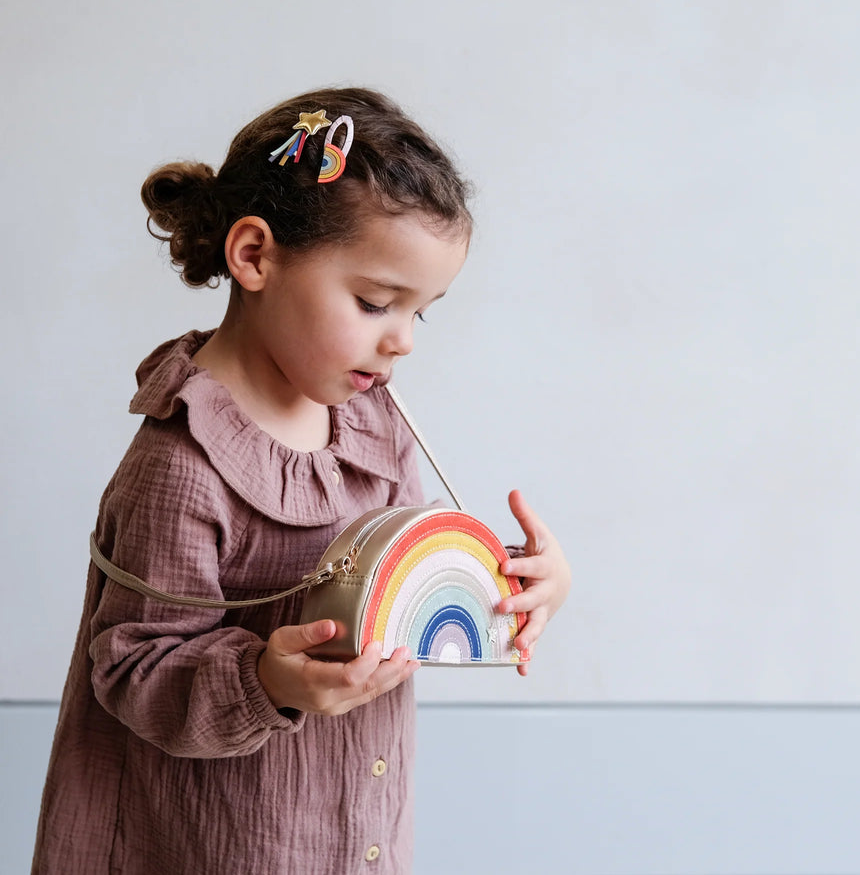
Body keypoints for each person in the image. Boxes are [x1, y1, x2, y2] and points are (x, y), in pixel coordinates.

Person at [32, 87, 571, 874]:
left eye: (423, 313)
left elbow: (399, 588)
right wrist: (263, 680)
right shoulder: (181, 467)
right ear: (255, 256)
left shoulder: (375, 426)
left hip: (353, 823)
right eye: (376, 302)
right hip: (213, 842)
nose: (403, 342)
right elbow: (131, 666)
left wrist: (517, 585)